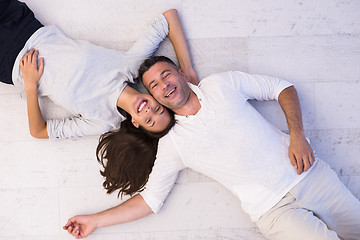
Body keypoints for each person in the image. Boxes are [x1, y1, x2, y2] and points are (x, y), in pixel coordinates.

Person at [64, 56, 360, 240]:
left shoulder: (221, 84)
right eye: (153, 85)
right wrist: (94, 220)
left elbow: (281, 87)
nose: (163, 84)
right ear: (152, 95)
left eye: (166, 75)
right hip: (273, 211)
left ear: (181, 73)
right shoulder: (173, 144)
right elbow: (150, 200)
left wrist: (297, 136)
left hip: (309, 174)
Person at [0, 0, 198, 138]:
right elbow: (169, 18)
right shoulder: (130, 66)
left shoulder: (103, 121)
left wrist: (30, 86)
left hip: (8, 63)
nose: (149, 110)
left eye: (150, 120)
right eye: (158, 109)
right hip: (23, 25)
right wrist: (188, 70)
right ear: (157, 98)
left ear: (137, 124)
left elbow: (39, 131)